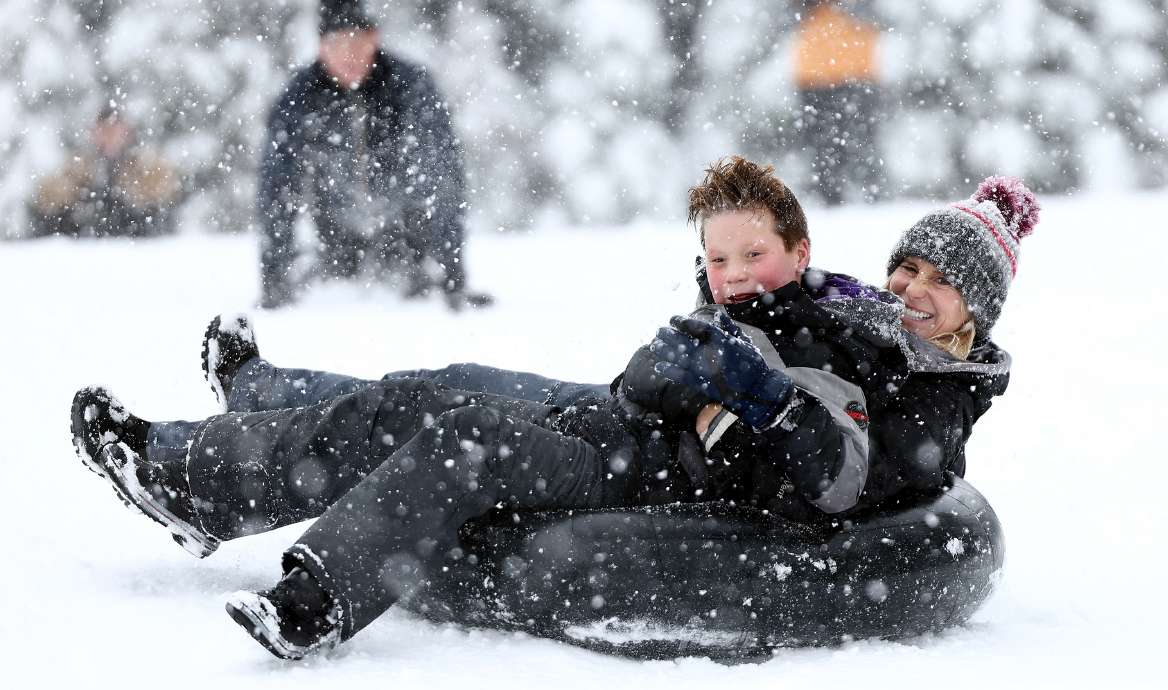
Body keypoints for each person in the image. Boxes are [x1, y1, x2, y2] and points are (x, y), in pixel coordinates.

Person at [68, 157, 1036, 659]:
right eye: (905, 266)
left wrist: (742, 403)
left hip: (659, 476)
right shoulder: (858, 317)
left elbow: (830, 475)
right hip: (640, 428)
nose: (911, 287)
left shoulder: (922, 397)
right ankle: (241, 419)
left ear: (975, 307)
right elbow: (661, 373)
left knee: (459, 434)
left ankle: (285, 564)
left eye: (939, 281)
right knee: (433, 388)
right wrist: (699, 377)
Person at [258, 0, 490, 311]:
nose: (348, 54)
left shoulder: (411, 86)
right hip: (335, 242)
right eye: (337, 43)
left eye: (357, 41)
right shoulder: (299, 98)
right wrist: (275, 279)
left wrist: (453, 275)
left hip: (407, 241)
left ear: (374, 40)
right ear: (321, 48)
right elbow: (277, 186)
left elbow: (442, 175)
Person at [28, 105, 180, 238]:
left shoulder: (147, 165)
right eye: (104, 131)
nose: (109, 137)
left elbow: (164, 204)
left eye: (114, 130)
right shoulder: (79, 166)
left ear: (126, 132)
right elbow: (48, 202)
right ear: (94, 133)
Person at [793, 1, 884, 204]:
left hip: (856, 73)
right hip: (816, 76)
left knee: (861, 142)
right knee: (823, 145)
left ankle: (871, 196)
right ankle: (830, 197)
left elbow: (874, 14)